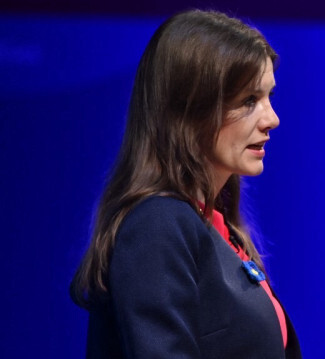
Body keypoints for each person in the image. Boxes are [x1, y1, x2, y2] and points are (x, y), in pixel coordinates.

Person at [70, 9, 302, 359]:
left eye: (269, 97)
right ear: (191, 111)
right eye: (249, 101)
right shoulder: (157, 225)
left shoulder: (220, 229)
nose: (272, 119)